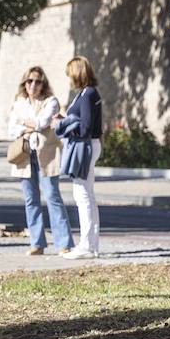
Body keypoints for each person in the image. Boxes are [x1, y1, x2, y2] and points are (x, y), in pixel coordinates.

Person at [7, 65, 74, 256]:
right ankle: (37, 243)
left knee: (53, 197)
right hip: (25, 156)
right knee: (31, 200)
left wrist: (27, 123)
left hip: (46, 156)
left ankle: (63, 243)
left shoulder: (51, 101)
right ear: (24, 83)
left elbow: (42, 123)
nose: (33, 85)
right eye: (30, 81)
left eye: (37, 81)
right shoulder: (19, 103)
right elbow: (11, 128)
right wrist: (26, 127)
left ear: (43, 84)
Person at [55, 55, 103, 259]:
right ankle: (90, 244)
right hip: (89, 145)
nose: (69, 80)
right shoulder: (87, 94)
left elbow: (84, 127)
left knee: (82, 195)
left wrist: (64, 125)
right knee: (86, 195)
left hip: (85, 146)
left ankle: (87, 246)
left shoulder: (87, 94)